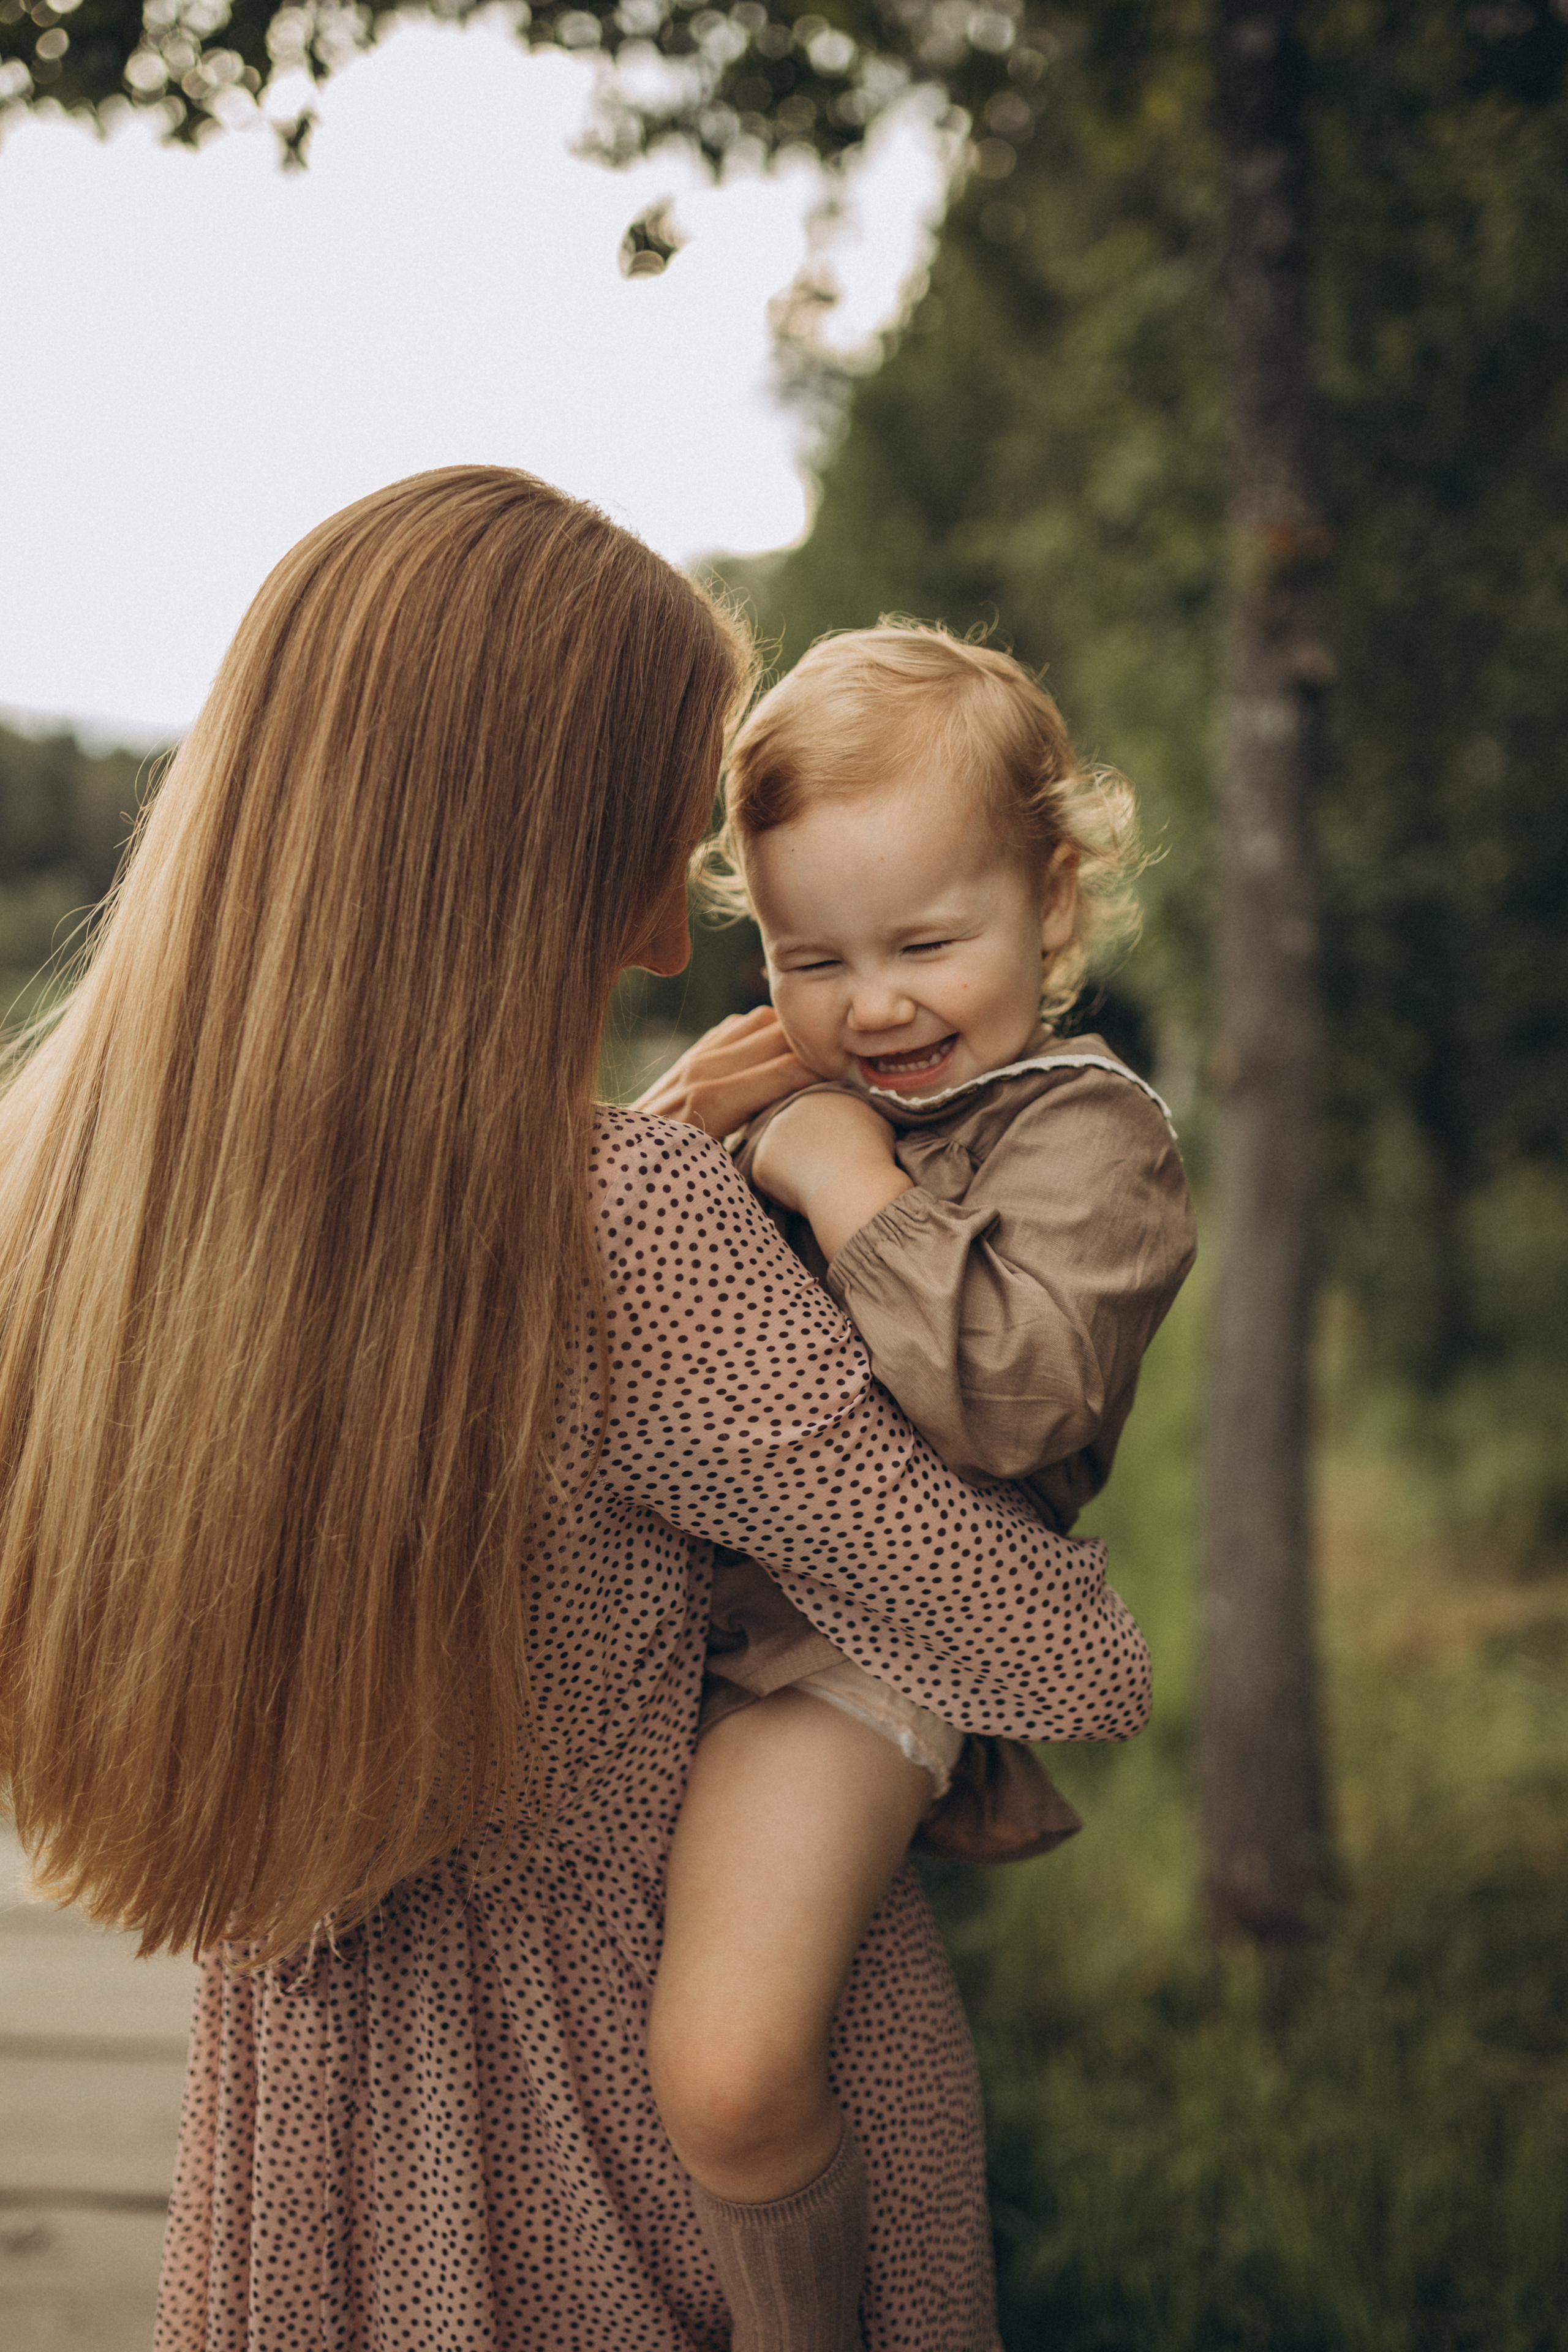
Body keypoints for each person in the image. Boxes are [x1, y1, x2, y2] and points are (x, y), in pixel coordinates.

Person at [0, 472, 1152, 2352]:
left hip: (310, 2157)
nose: (673, 926)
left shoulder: (60, 1209)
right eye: (671, 817)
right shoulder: (624, 1227)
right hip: (637, 2155)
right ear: (552, 836)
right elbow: (1064, 1661)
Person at [640, 625, 1196, 2346]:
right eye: (813, 957)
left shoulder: (1092, 1142)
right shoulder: (789, 1083)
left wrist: (839, 1171)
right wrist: (677, 1128)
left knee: (730, 2070)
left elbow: (1017, 1403)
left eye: (926, 945)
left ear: (1052, 899)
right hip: (667, 1619)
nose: (871, 1006)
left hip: (857, 1653)